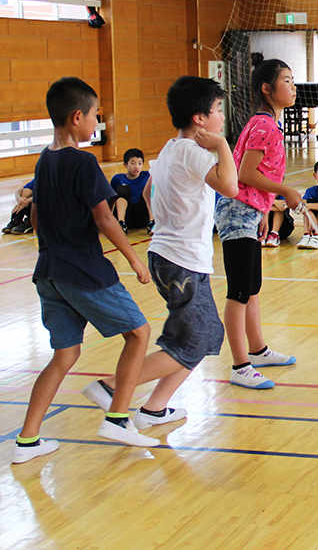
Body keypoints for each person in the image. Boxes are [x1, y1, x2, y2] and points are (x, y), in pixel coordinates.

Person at [11, 78, 158, 464]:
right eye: (95, 116)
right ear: (77, 117)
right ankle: (118, 417)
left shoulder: (44, 160)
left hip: (49, 271)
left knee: (64, 354)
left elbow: (38, 215)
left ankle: (27, 441)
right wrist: (134, 260)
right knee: (139, 333)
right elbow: (105, 217)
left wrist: (50, 247)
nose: (97, 122)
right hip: (83, 269)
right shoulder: (82, 161)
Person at [81, 76, 239, 432]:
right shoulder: (191, 152)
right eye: (217, 110)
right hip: (181, 261)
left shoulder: (168, 149)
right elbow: (229, 186)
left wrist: (167, 222)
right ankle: (111, 387)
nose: (221, 117)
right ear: (200, 118)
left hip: (168, 255)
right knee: (193, 339)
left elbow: (150, 192)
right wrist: (223, 147)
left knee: (206, 335)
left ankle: (155, 408)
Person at [216, 58, 300, 389]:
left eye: (293, 81)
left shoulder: (265, 123)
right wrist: (284, 192)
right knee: (239, 291)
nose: (293, 87)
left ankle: (258, 350)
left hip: (249, 211)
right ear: (267, 89)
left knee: (251, 288)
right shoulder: (264, 125)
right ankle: (239, 366)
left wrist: (264, 209)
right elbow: (245, 174)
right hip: (236, 212)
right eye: (286, 81)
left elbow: (253, 176)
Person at [110, 148, 153, 234]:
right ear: (125, 165)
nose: (136, 166)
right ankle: (121, 224)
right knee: (123, 189)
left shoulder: (148, 176)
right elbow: (111, 199)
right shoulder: (118, 178)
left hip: (143, 214)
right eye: (133, 163)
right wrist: (107, 218)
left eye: (139, 163)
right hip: (127, 214)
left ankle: (152, 222)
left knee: (148, 189)